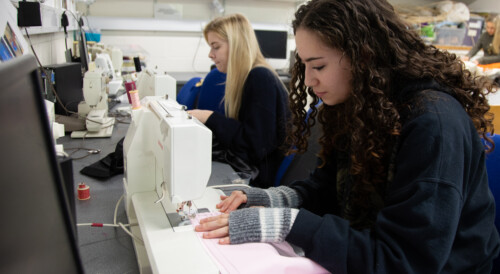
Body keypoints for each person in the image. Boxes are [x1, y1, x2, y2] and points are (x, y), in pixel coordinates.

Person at [194, 0, 500, 273]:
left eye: (319, 66)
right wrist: (274, 199)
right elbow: (328, 188)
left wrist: (286, 224)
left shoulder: (434, 123)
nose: (310, 81)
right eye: (304, 66)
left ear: (363, 56)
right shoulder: (361, 104)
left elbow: (403, 260)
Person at [188, 13, 290, 188]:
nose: (210, 55)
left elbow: (255, 146)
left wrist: (210, 117)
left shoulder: (260, 77)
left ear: (236, 45)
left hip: (261, 181)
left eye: (216, 47)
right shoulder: (250, 77)